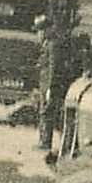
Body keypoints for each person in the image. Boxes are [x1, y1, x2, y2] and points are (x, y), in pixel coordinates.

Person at [33, 14, 65, 151]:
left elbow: (53, 68)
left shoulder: (52, 45)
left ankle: (45, 143)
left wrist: (50, 88)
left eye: (40, 30)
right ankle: (44, 141)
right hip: (44, 84)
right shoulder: (48, 43)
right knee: (44, 112)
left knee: (46, 113)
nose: (38, 34)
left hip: (48, 85)